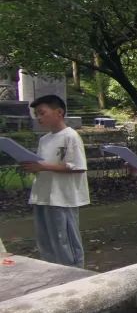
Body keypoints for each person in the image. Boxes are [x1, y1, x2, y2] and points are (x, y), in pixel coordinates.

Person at [20, 95, 89, 267]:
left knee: (65, 241)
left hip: (63, 198)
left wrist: (43, 166)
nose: (39, 117)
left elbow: (77, 166)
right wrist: (34, 167)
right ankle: (53, 273)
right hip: (43, 195)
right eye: (36, 114)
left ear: (59, 112)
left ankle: (74, 275)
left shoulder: (70, 136)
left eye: (42, 113)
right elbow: (42, 165)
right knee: (46, 242)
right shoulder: (44, 140)